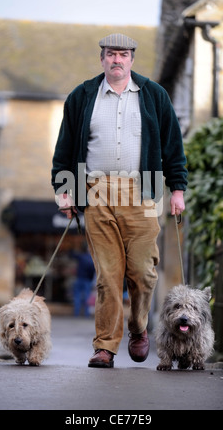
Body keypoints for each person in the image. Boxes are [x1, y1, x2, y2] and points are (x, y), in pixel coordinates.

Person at [51, 33, 188, 368]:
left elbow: (173, 146)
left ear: (131, 59)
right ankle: (105, 347)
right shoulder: (82, 96)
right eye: (111, 54)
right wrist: (65, 191)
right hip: (96, 192)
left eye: (123, 54)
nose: (116, 60)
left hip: (143, 190)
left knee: (143, 272)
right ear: (102, 59)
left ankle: (138, 327)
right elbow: (65, 149)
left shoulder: (154, 95)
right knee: (108, 275)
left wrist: (178, 189)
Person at [71, 243, 95, 317]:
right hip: (87, 280)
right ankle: (86, 314)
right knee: (87, 297)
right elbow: (93, 271)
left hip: (79, 279)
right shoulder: (92, 259)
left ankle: (76, 313)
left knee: (77, 296)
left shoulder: (81, 256)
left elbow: (72, 254)